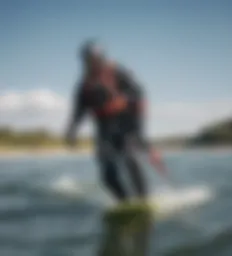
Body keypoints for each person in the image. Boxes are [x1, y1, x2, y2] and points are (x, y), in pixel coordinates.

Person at [65, 40, 163, 202]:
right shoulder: (83, 87)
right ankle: (123, 202)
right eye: (90, 61)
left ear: (102, 59)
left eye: (97, 60)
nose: (94, 65)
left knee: (130, 158)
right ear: (85, 63)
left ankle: (143, 199)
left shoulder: (118, 73)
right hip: (104, 129)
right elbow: (78, 112)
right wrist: (72, 131)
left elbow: (138, 94)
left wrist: (125, 102)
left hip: (126, 123)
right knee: (107, 173)